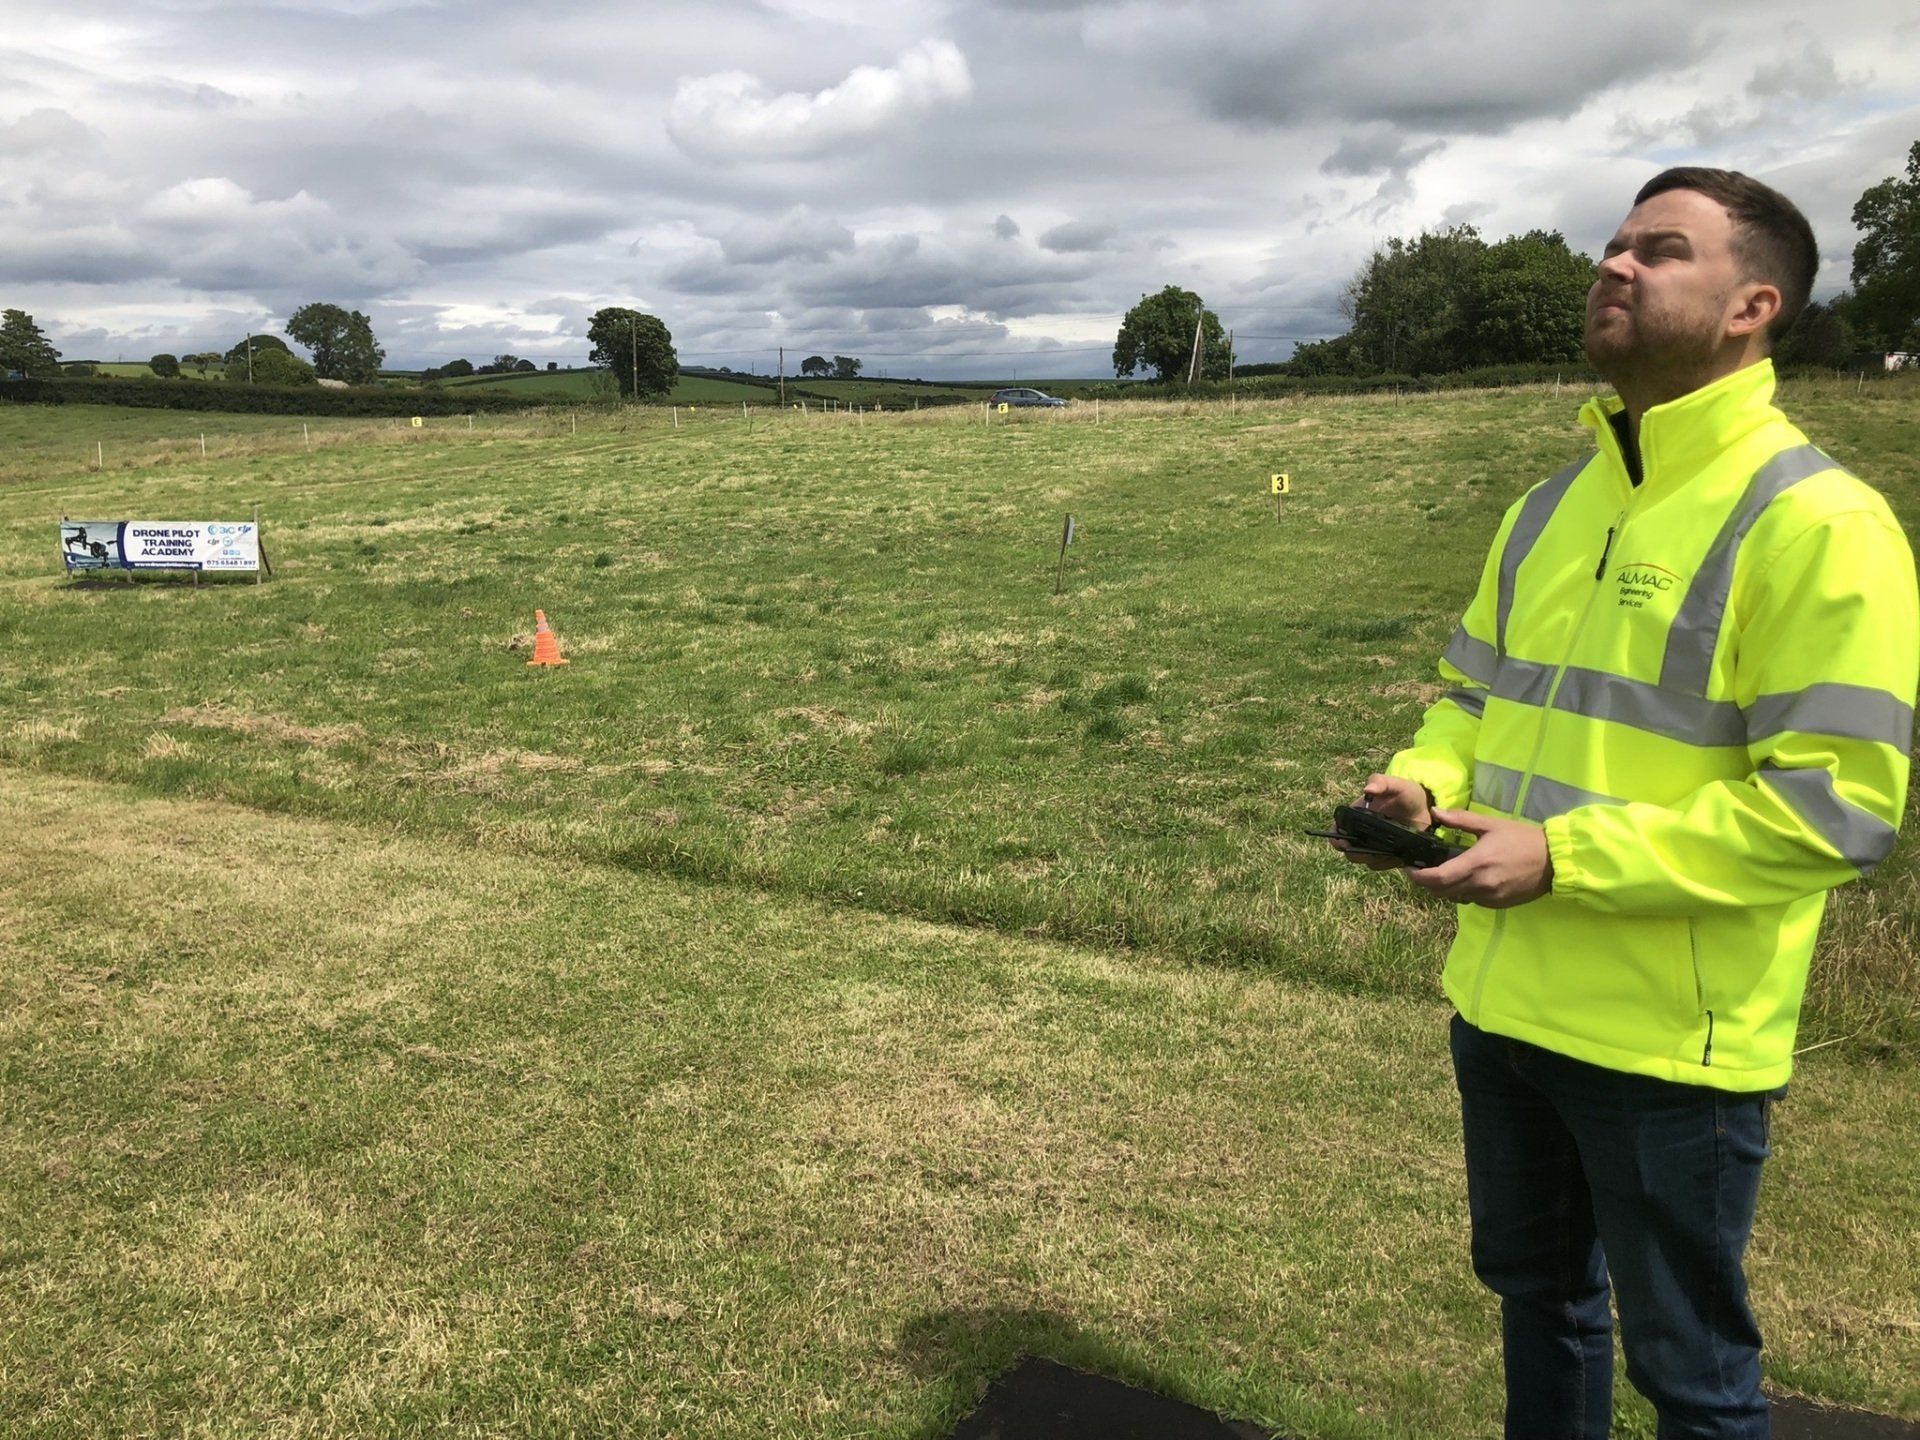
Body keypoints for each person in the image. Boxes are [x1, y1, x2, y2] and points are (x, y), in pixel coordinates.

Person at [1336, 169, 1918, 1437]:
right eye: (1614, 243)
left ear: (1753, 306)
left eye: (1662, 250)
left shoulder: (1821, 524)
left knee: (1691, 1375)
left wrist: (1565, 859)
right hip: (1505, 1002)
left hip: (1670, 1046)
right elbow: (1474, 699)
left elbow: (1834, 812)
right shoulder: (1549, 507)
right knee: (1540, 1301)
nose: (1615, 265)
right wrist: (1424, 781)